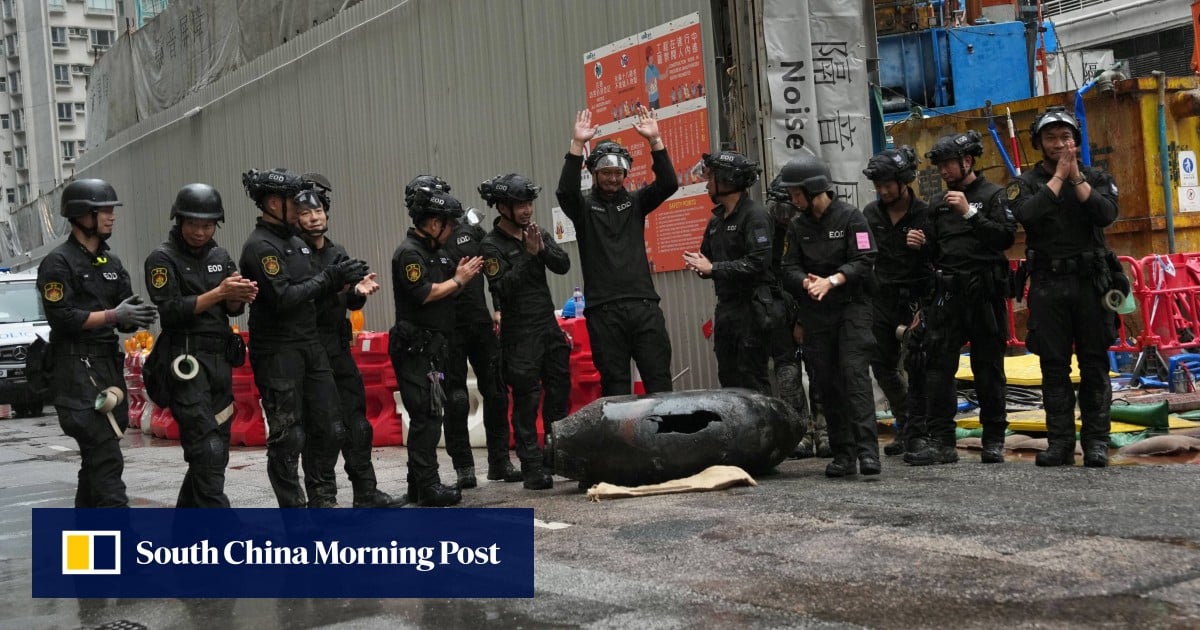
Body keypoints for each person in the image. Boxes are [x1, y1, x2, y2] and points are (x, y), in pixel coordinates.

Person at [239, 168, 368, 507]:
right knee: (289, 436)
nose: (300, 207)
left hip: (311, 345)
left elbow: (318, 292)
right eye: (290, 201)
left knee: (330, 427)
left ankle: (323, 500)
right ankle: (293, 509)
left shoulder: (298, 244)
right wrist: (330, 278)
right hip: (277, 351)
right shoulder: (260, 247)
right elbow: (283, 298)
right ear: (271, 203)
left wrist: (348, 286)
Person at [1010, 107, 1120, 468]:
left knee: (1094, 363)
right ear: (1039, 144)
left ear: (1076, 140)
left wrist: (1075, 179)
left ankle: (1096, 443)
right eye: (1051, 138)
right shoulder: (1027, 183)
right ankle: (1059, 443)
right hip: (1048, 284)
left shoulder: (1095, 176)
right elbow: (1026, 215)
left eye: (1066, 137)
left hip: (1090, 283)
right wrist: (1057, 178)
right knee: (1053, 365)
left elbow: (1106, 213)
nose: (1060, 144)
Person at [37, 178, 158, 507]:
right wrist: (112, 315)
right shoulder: (58, 263)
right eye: (103, 210)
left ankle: (84, 553)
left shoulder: (111, 263)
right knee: (106, 460)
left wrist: (135, 315)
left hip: (107, 367)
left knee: (95, 464)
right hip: (75, 372)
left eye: (112, 210)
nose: (111, 216)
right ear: (81, 215)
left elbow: (123, 315)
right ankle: (119, 542)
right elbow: (62, 317)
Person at [295, 172, 406, 507]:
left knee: (357, 422)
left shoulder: (336, 252)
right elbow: (297, 299)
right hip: (308, 350)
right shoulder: (294, 254)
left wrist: (357, 292)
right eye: (305, 213)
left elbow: (349, 299)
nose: (314, 217)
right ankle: (322, 497)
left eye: (318, 211)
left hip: (338, 346)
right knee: (324, 428)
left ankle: (366, 491)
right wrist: (336, 286)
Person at [905, 131, 1016, 466]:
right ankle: (942, 442)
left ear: (967, 162)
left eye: (948, 164)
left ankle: (993, 440)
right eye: (939, 166)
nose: (943, 171)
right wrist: (919, 244)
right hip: (948, 295)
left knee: (988, 369)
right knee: (938, 369)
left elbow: (1005, 239)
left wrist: (970, 213)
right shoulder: (937, 205)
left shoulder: (994, 195)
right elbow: (936, 252)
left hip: (984, 294)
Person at [406, 175, 523, 489]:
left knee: (497, 393)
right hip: (446, 332)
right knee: (455, 399)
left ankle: (500, 461)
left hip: (480, 324)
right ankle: (464, 467)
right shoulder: (417, 244)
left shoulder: (470, 229)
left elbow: (494, 268)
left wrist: (498, 306)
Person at [144, 183, 257, 508]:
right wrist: (218, 294)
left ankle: (186, 532)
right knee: (205, 448)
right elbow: (170, 311)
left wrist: (239, 298)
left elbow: (232, 308)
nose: (200, 231)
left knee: (215, 451)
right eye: (193, 224)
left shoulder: (220, 257)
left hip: (219, 361)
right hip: (184, 361)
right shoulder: (162, 259)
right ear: (179, 221)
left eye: (207, 225)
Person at [556, 107, 677, 397]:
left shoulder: (635, 202)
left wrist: (655, 141)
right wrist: (576, 146)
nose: (612, 178)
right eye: (606, 172)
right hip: (604, 312)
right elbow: (565, 193)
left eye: (618, 173)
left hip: (644, 306)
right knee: (615, 385)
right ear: (594, 173)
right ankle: (621, 443)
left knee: (658, 380)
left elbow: (669, 184)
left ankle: (668, 440)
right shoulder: (584, 208)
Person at [778, 154, 880, 478]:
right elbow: (787, 268)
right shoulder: (797, 226)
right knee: (826, 380)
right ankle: (843, 453)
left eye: (796, 193)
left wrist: (833, 280)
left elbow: (865, 259)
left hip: (852, 307)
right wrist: (805, 282)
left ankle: (868, 452)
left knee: (854, 374)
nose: (792, 200)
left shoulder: (852, 218)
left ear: (813, 189)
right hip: (817, 313)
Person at [389, 188, 482, 507]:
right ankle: (427, 485)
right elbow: (425, 293)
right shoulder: (410, 253)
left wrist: (459, 281)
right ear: (432, 223)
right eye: (448, 225)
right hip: (414, 349)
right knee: (426, 418)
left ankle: (418, 484)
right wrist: (458, 280)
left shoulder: (438, 253)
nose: (453, 231)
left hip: (434, 348)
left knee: (431, 414)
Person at [480, 173, 571, 491]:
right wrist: (528, 256)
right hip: (519, 333)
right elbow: (501, 288)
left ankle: (556, 456)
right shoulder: (490, 246)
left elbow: (563, 265)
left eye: (530, 203)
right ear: (503, 207)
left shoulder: (537, 232)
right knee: (526, 400)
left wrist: (541, 249)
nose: (527, 210)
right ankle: (532, 467)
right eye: (521, 204)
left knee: (559, 391)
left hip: (548, 325)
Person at [861, 147, 934, 457]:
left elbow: (941, 256)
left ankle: (920, 433)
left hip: (917, 299)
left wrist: (925, 246)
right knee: (881, 365)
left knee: (918, 366)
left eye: (888, 184)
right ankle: (906, 423)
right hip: (882, 300)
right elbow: (862, 255)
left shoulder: (926, 213)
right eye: (878, 185)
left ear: (904, 181)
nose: (883, 191)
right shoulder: (869, 214)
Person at [682, 151, 773, 394]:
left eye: (711, 178)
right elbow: (708, 261)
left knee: (751, 375)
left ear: (728, 180)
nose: (707, 184)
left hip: (751, 308)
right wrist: (701, 266)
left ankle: (765, 431)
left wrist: (713, 268)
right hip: (726, 309)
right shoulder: (716, 221)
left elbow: (757, 263)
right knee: (728, 375)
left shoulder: (755, 216)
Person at [766, 178, 827, 459]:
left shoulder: (809, 229)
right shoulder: (766, 229)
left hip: (810, 307)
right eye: (778, 206)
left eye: (787, 206)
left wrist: (802, 318)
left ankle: (824, 432)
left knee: (818, 371)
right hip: (777, 311)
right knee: (787, 374)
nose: (782, 214)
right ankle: (800, 433)